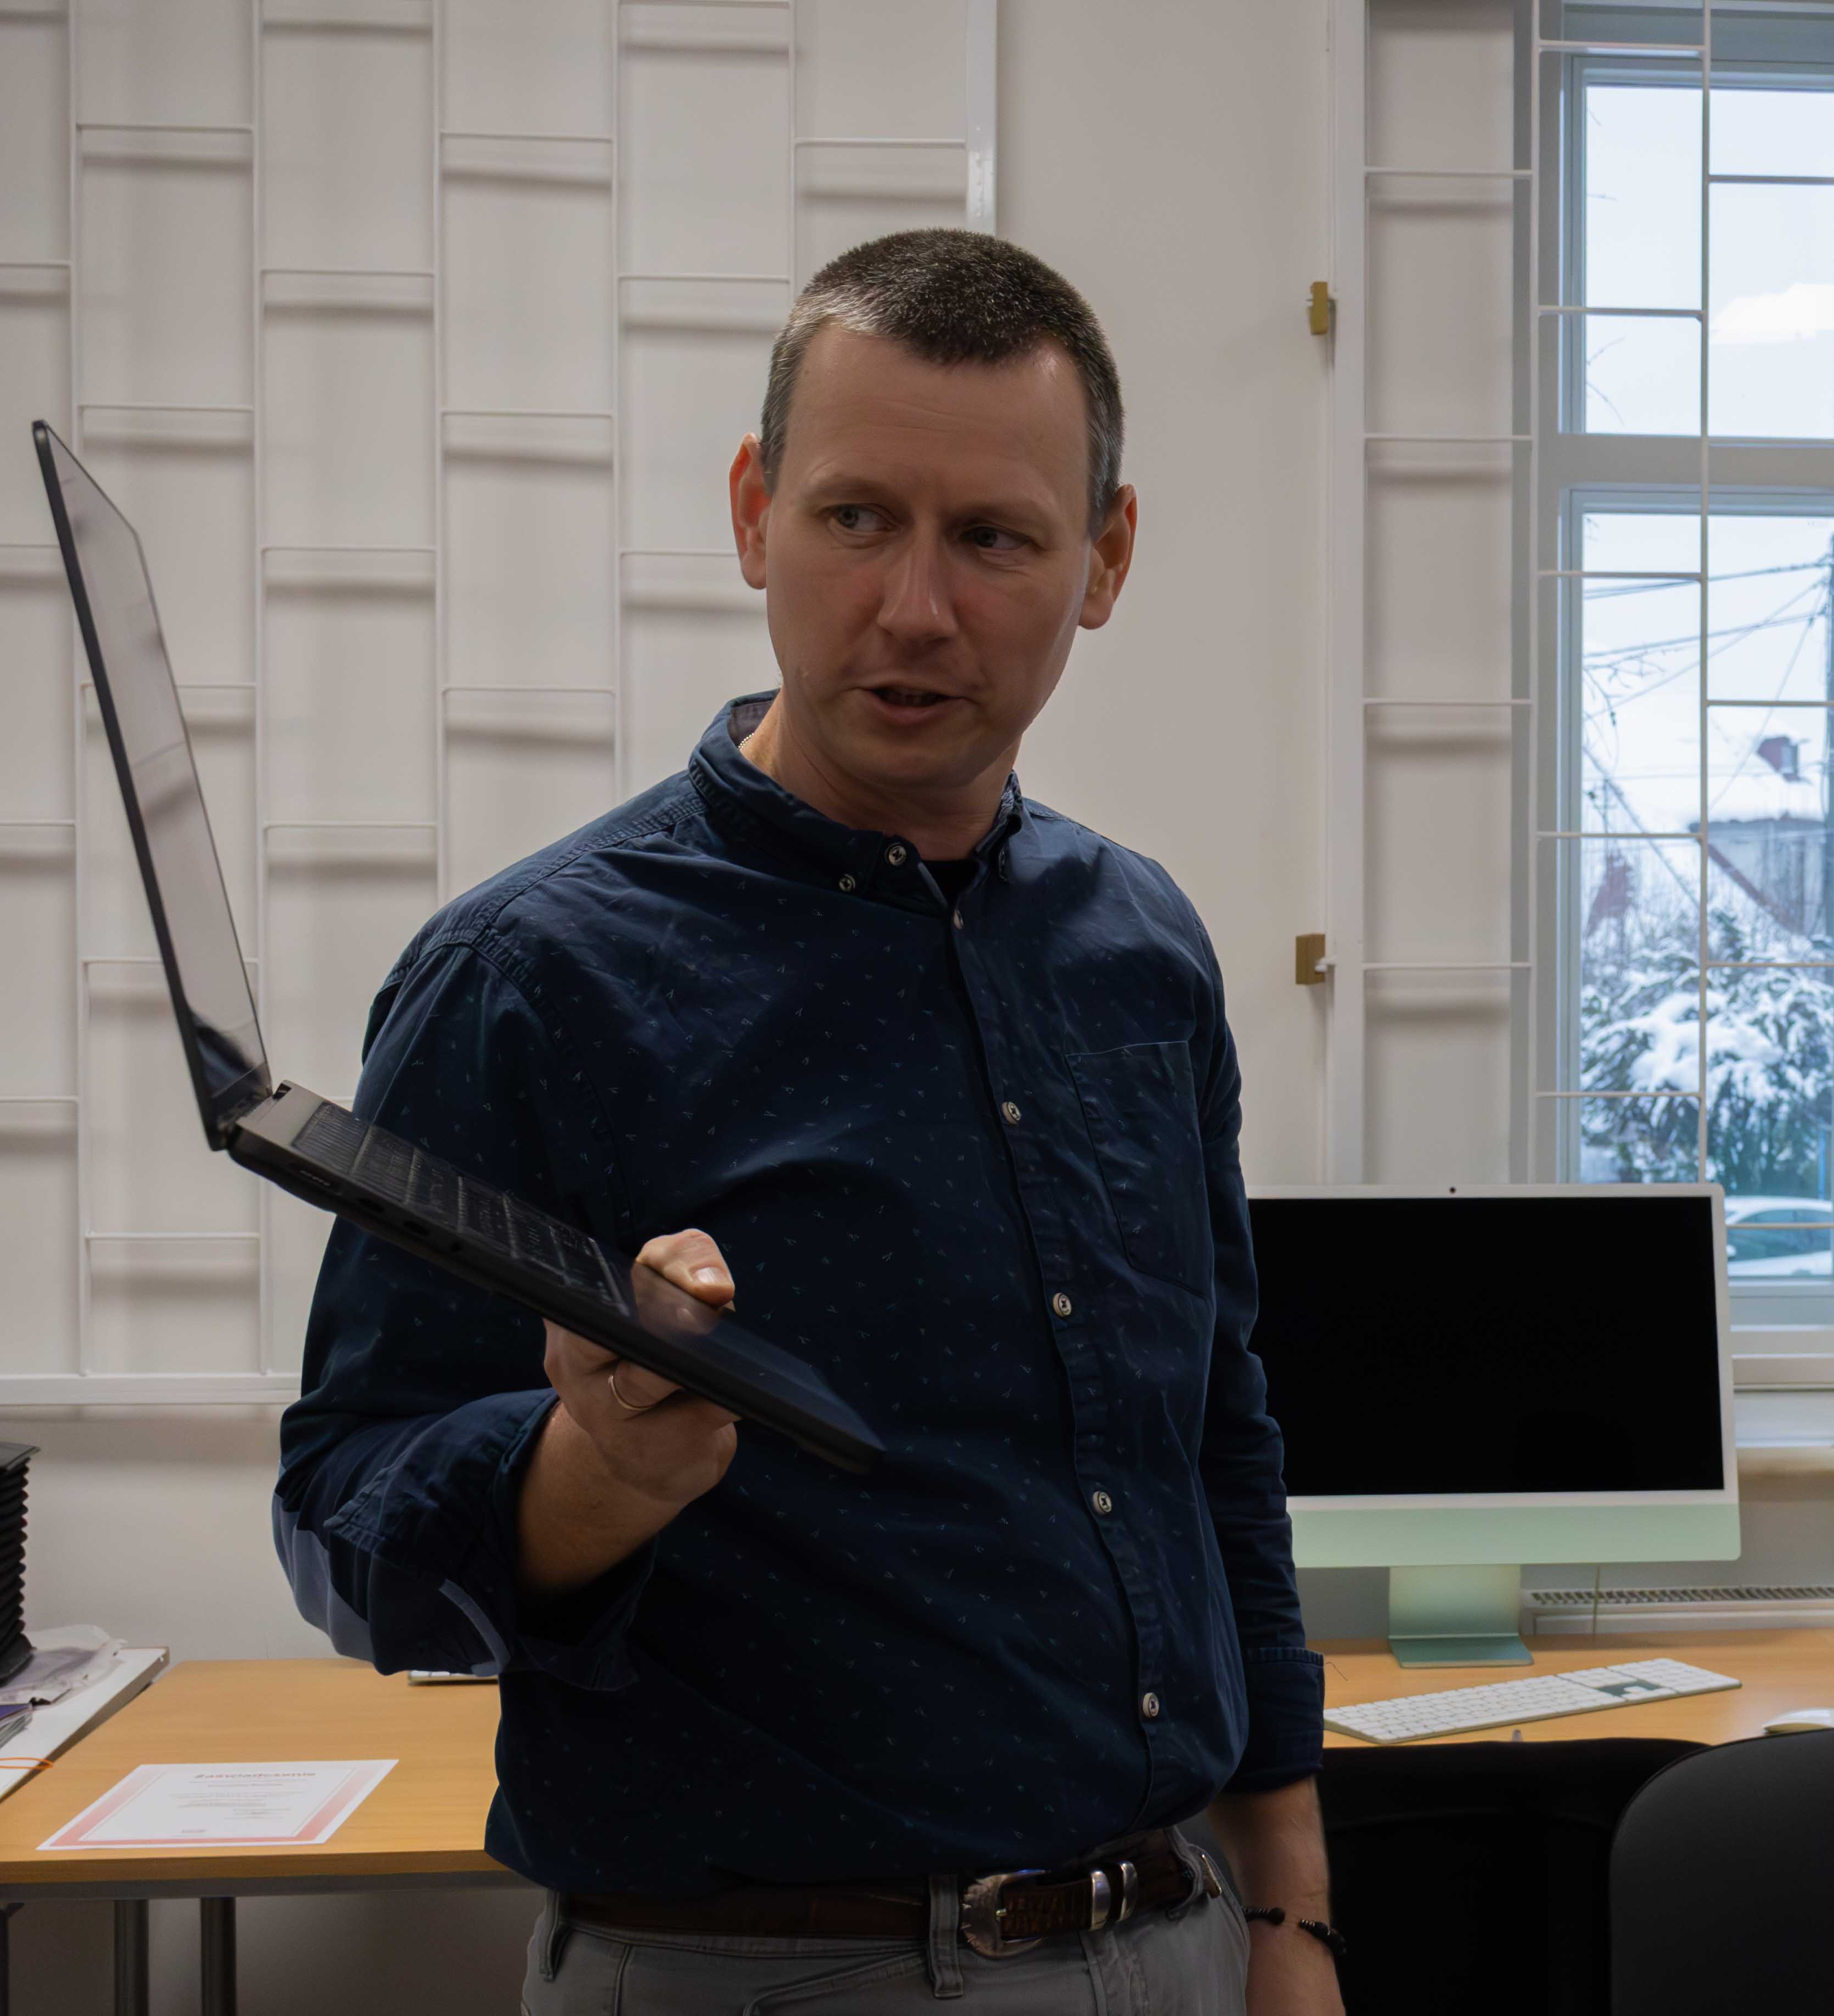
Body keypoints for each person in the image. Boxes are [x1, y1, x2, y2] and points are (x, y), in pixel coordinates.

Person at [272, 229, 1342, 2016]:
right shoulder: (533, 977)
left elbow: (1214, 1436)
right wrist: (590, 1476)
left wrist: (1290, 1917)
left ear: (1104, 559)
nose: (915, 608)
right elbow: (346, 1533)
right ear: (755, 513)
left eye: (993, 537)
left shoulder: (1141, 950)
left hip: (1179, 1936)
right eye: (857, 518)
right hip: (760, 1970)